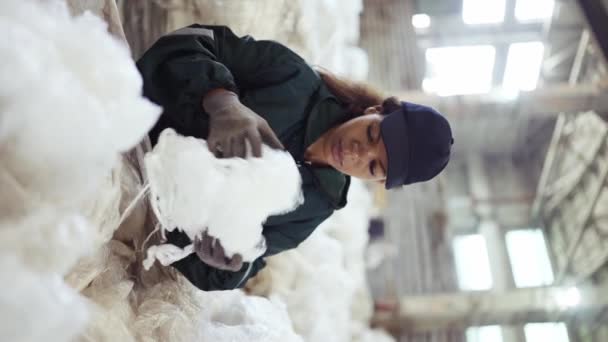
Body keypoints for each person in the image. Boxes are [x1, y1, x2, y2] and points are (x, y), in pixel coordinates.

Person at [137, 24, 453, 291]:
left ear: (378, 180)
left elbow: (246, 262)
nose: (358, 153)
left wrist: (224, 263)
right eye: (372, 134)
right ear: (374, 111)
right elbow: (191, 40)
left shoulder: (314, 207)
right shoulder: (294, 80)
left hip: (133, 206)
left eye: (373, 166)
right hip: (126, 126)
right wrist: (221, 99)